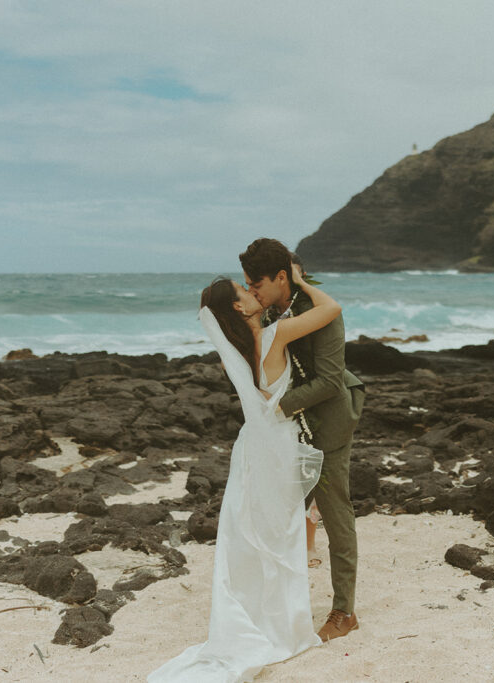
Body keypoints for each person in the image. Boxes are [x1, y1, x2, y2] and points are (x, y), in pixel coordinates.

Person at [148, 263, 341, 682]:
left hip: (251, 449)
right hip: (278, 447)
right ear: (239, 306)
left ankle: (254, 617)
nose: (254, 291)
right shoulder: (274, 336)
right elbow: (331, 308)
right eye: (245, 290)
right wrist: (302, 282)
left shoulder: (235, 352)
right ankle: (283, 627)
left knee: (251, 537)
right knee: (281, 536)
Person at [240, 239, 365, 642]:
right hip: (289, 427)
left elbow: (329, 382)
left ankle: (344, 612)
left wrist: (276, 408)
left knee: (334, 512)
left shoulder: (321, 314)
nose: (252, 292)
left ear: (282, 278)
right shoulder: (274, 308)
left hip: (328, 423)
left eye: (255, 284)